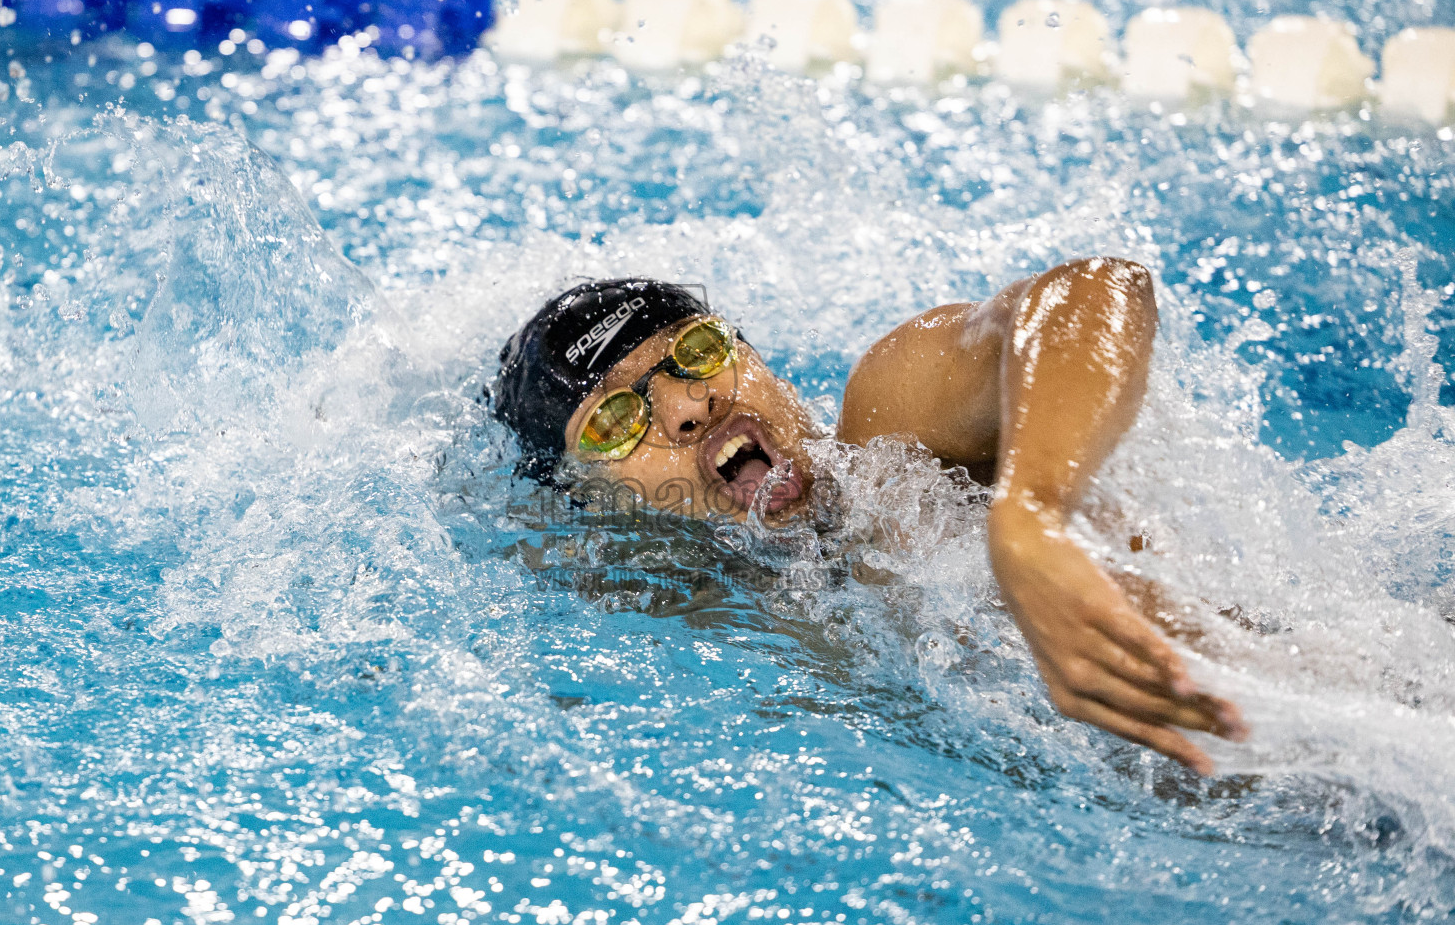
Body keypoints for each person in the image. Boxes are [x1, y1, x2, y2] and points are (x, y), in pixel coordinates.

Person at [493, 260, 1249, 774]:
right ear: (593, 498)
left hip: (1287, 729)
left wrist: (1030, 513)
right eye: (616, 421)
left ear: (754, 355)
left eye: (697, 352)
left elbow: (1097, 289)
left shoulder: (893, 437)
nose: (691, 406)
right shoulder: (684, 603)